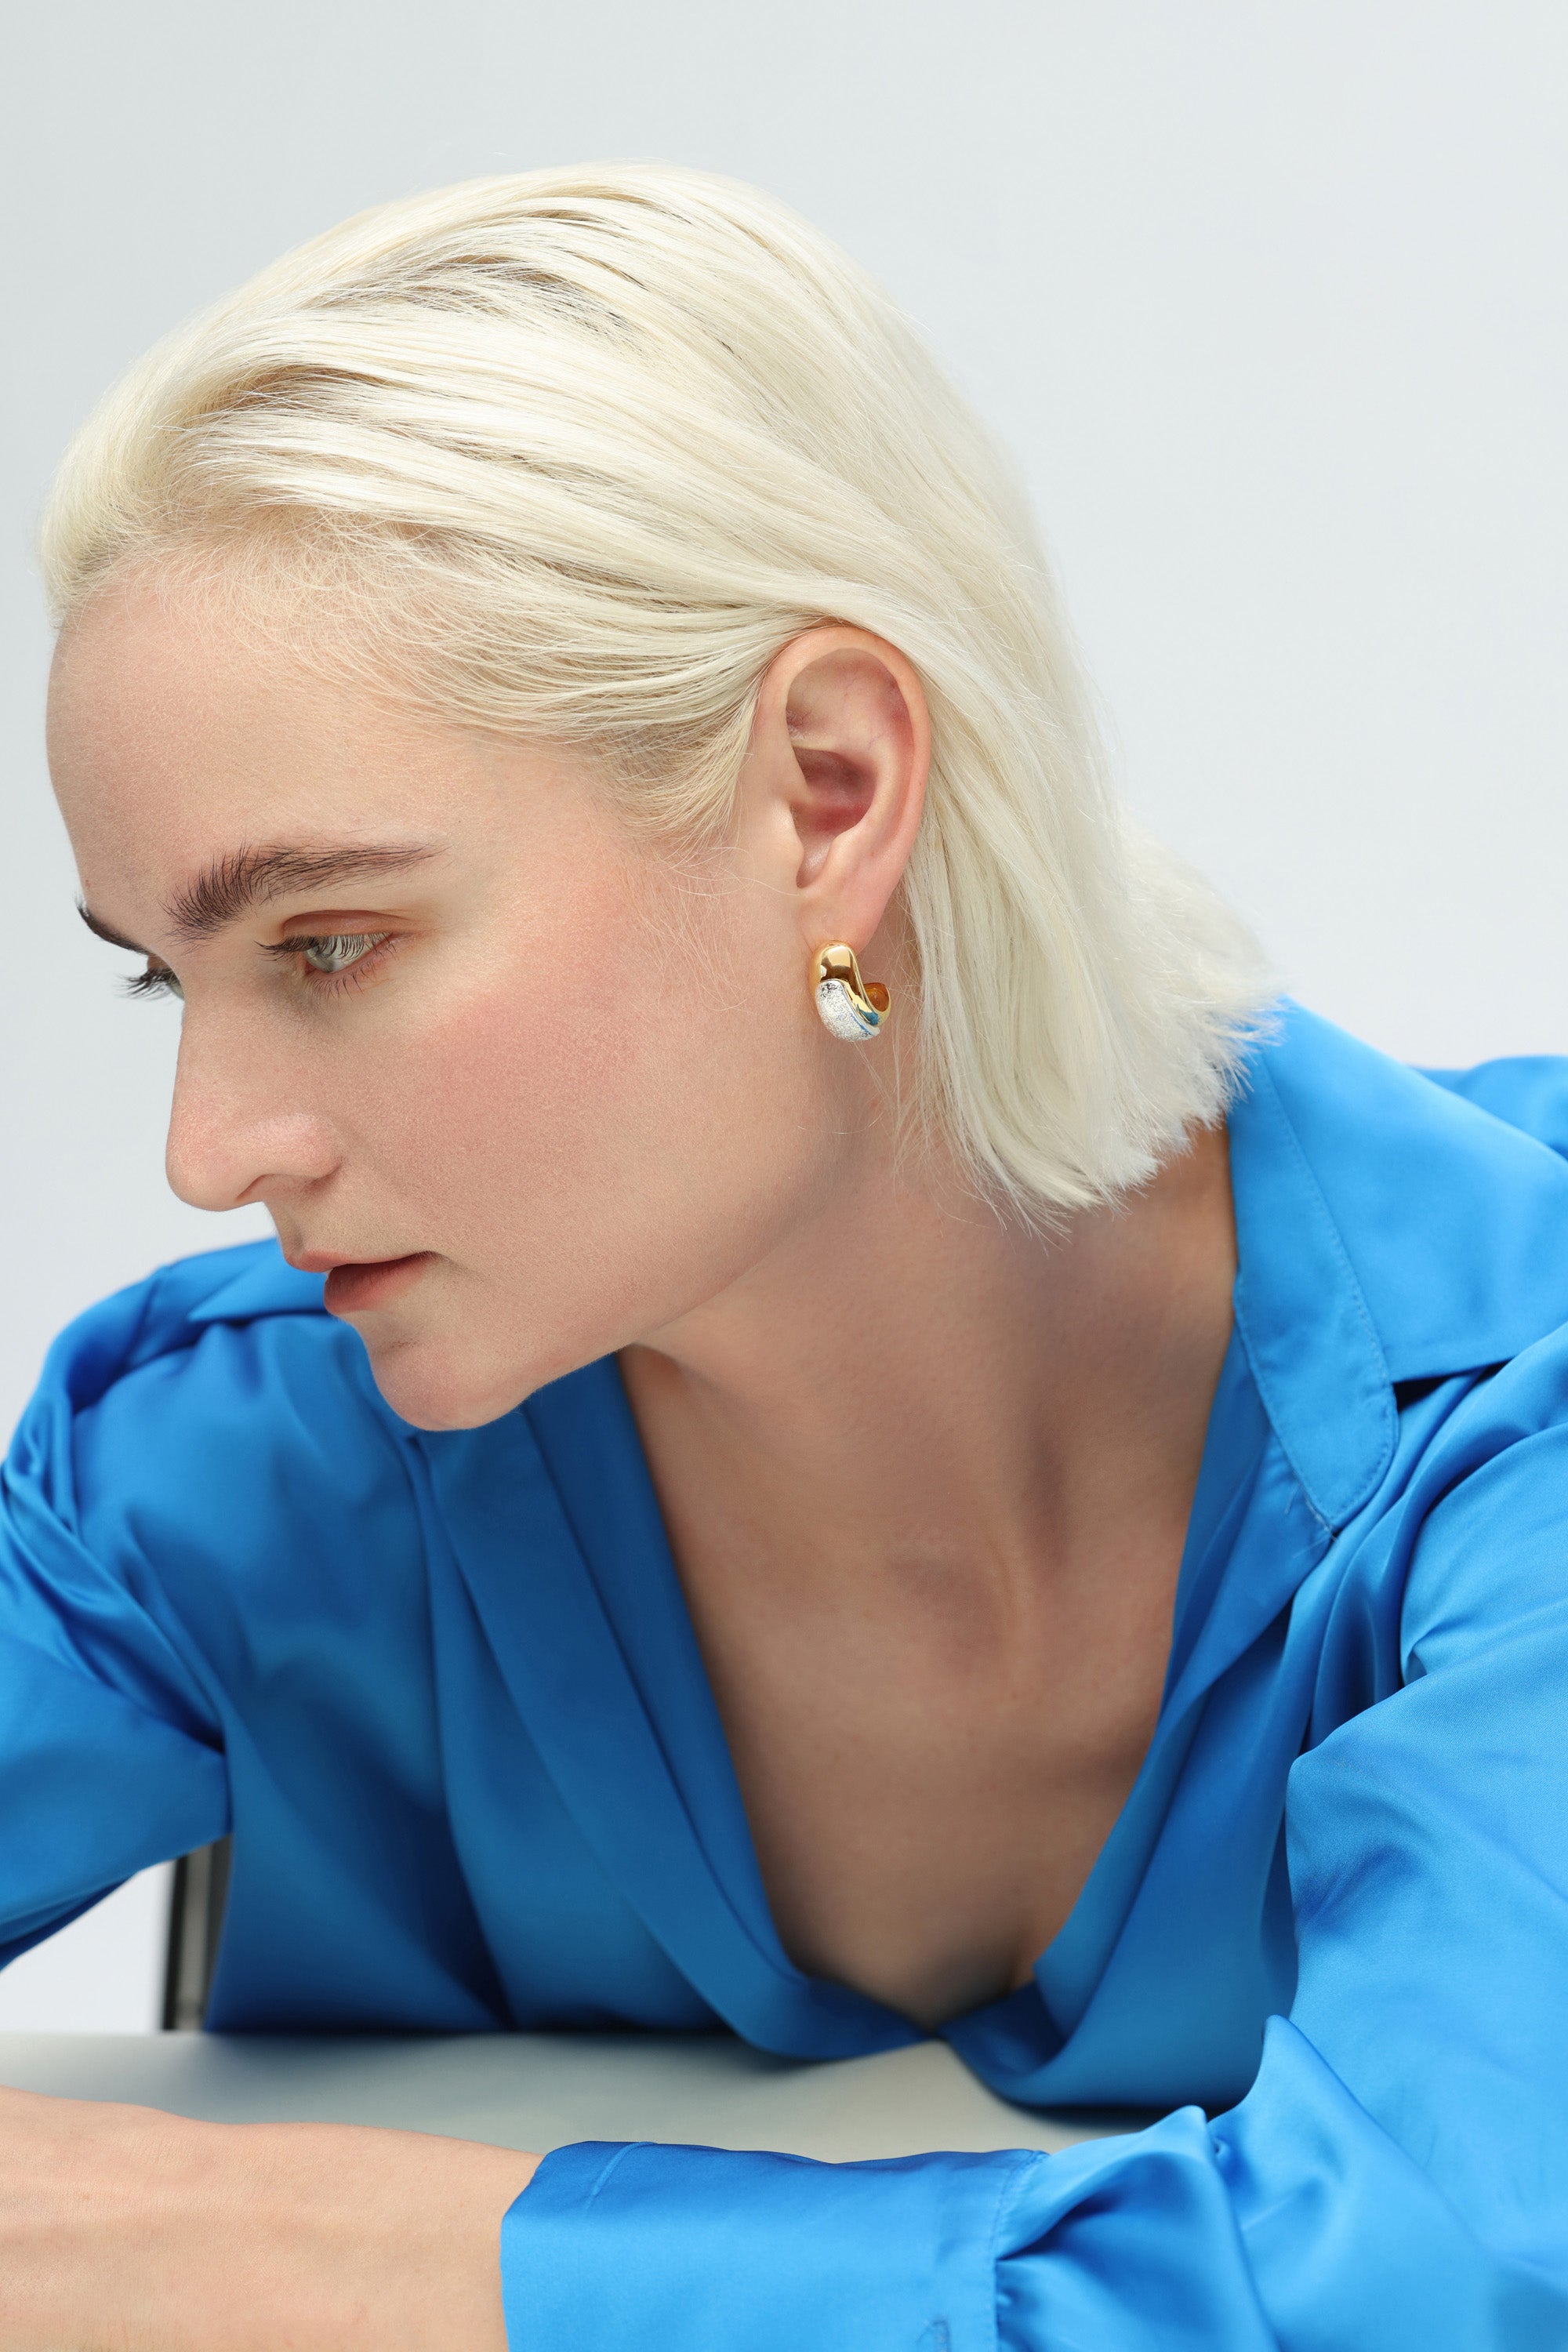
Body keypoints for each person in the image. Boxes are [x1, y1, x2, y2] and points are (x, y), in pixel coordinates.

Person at [4, 162, 1565, 2352]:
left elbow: (1439, 2289)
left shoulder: (1520, 1412)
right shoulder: (229, 1459)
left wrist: (292, 2252)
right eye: (174, 980)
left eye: (331, 944)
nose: (205, 1150)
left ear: (826, 795)